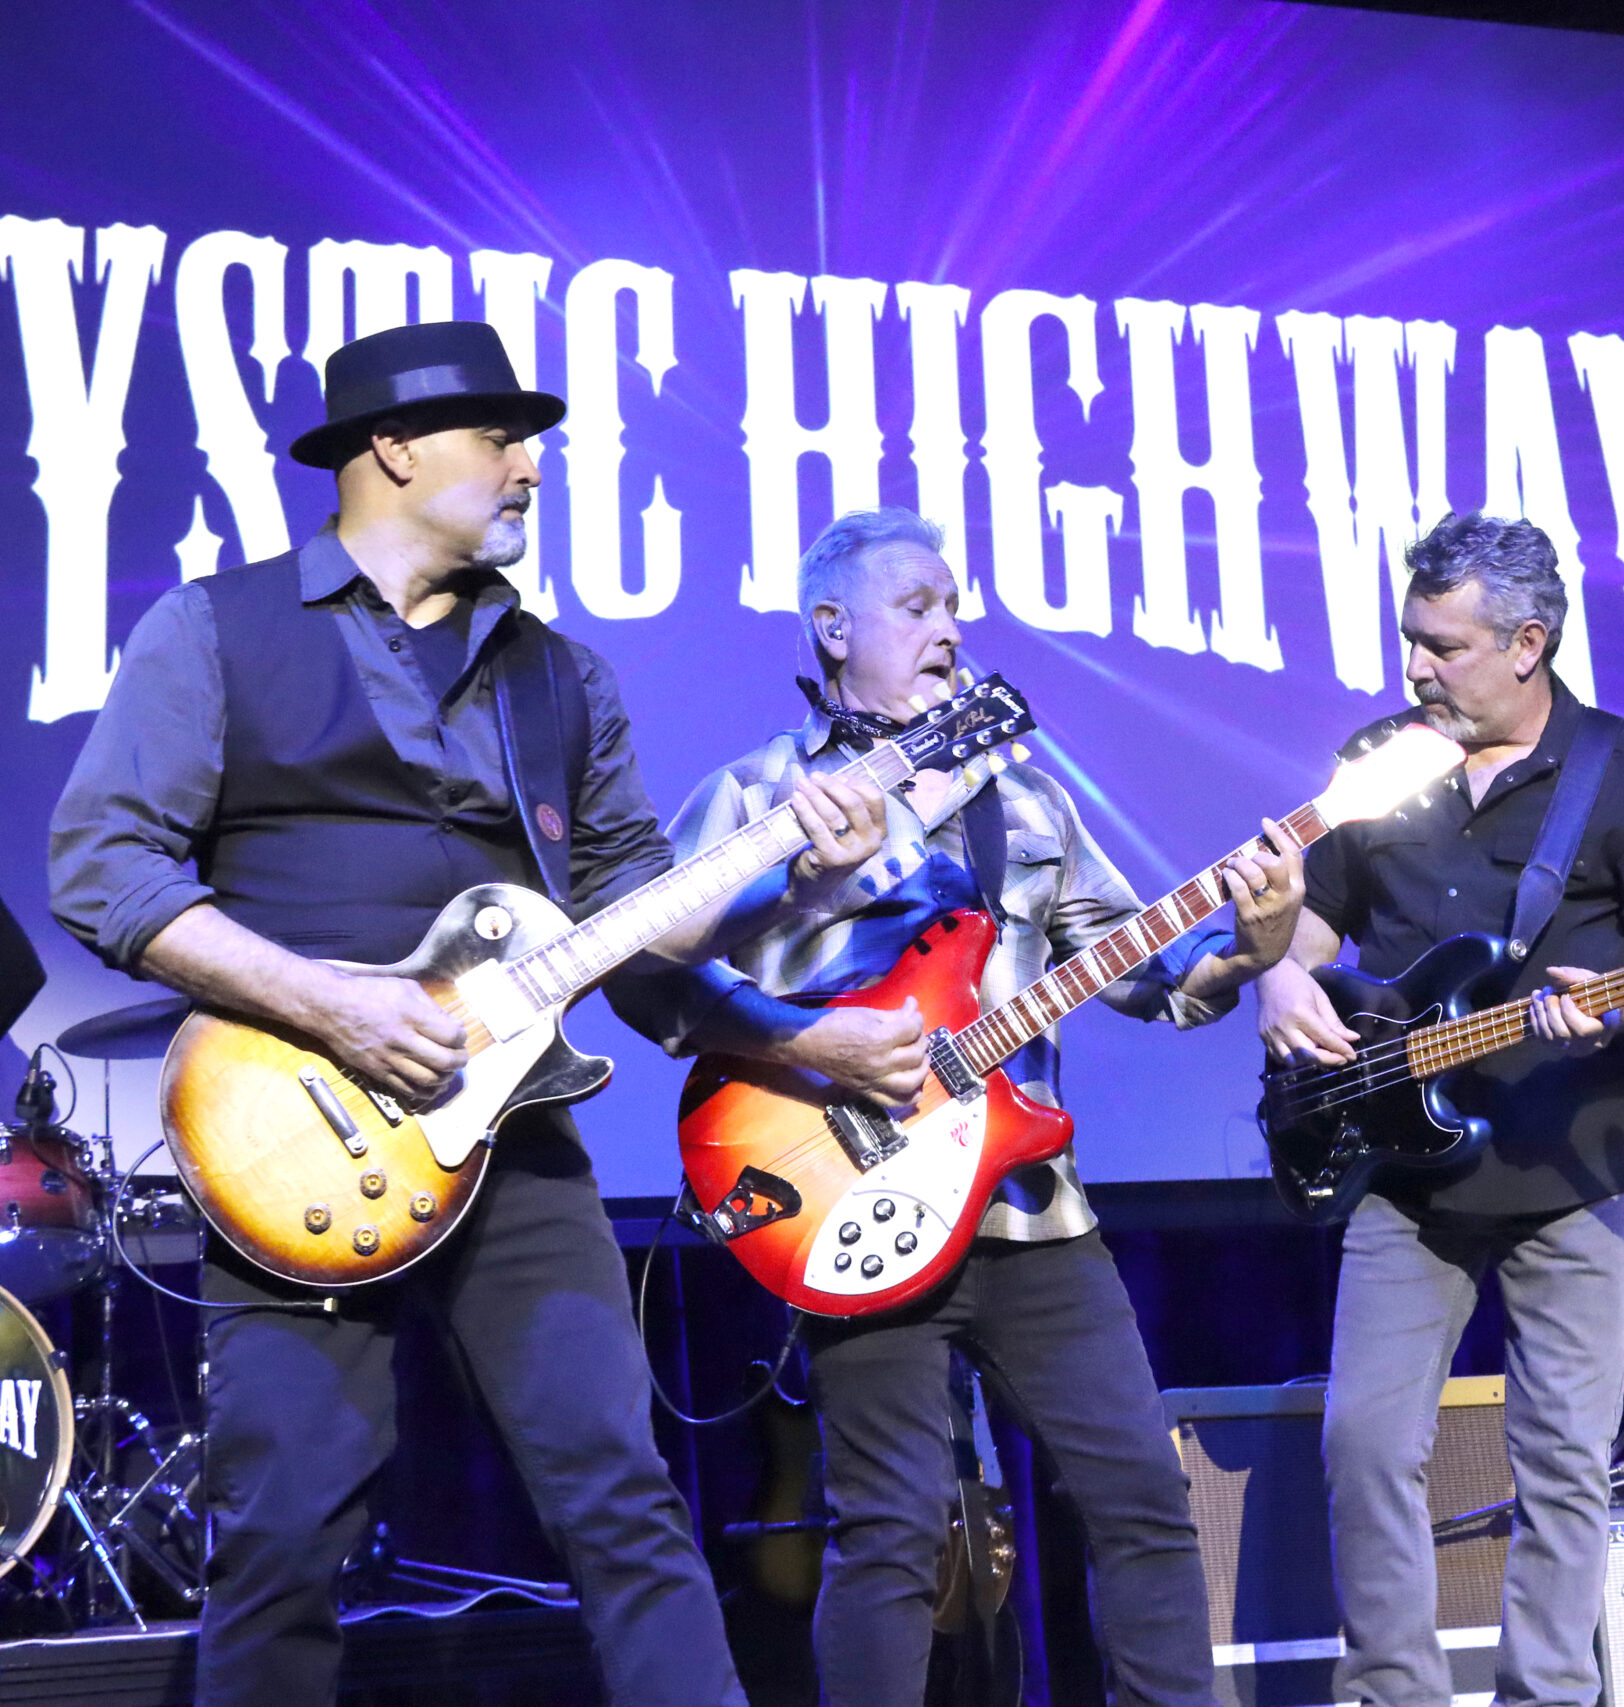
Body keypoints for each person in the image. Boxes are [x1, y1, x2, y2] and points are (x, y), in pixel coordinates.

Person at [48, 320, 886, 1707]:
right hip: (299, 1129)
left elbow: (638, 926)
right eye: (500, 438)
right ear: (392, 447)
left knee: (627, 1502)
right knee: (282, 1534)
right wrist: (335, 1006)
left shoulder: (560, 675)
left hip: (517, 1137)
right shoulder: (216, 628)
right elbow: (103, 865)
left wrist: (789, 872)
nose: (530, 467)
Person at [607, 505, 1303, 1707]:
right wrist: (809, 1043)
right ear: (831, 628)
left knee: (1142, 1502)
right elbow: (646, 980)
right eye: (917, 607)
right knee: (886, 1533)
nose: (949, 629)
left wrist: (1250, 950)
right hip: (853, 1195)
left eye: (954, 608)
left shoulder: (1024, 800)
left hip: (1035, 1211)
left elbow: (1152, 986)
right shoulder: (758, 794)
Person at [1255, 510, 1624, 1707]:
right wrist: (1282, 975)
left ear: (1528, 644)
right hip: (1399, 1173)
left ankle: (1548, 1694)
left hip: (1570, 1166)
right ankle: (1393, 1694)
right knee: (1365, 1448)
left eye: (1441, 647)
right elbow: (1315, 923)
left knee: (1563, 1463)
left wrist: (1611, 1011)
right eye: (1410, 640)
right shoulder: (1382, 759)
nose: (1414, 668)